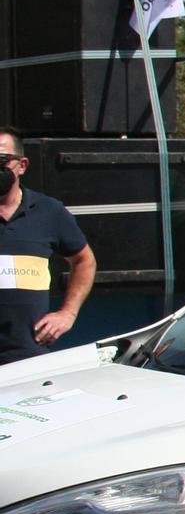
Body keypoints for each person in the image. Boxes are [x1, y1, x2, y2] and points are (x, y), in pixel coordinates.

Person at [0, 125, 96, 366]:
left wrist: (68, 313)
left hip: (26, 357)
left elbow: (84, 261)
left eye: (2, 160)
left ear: (22, 165)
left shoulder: (49, 212)